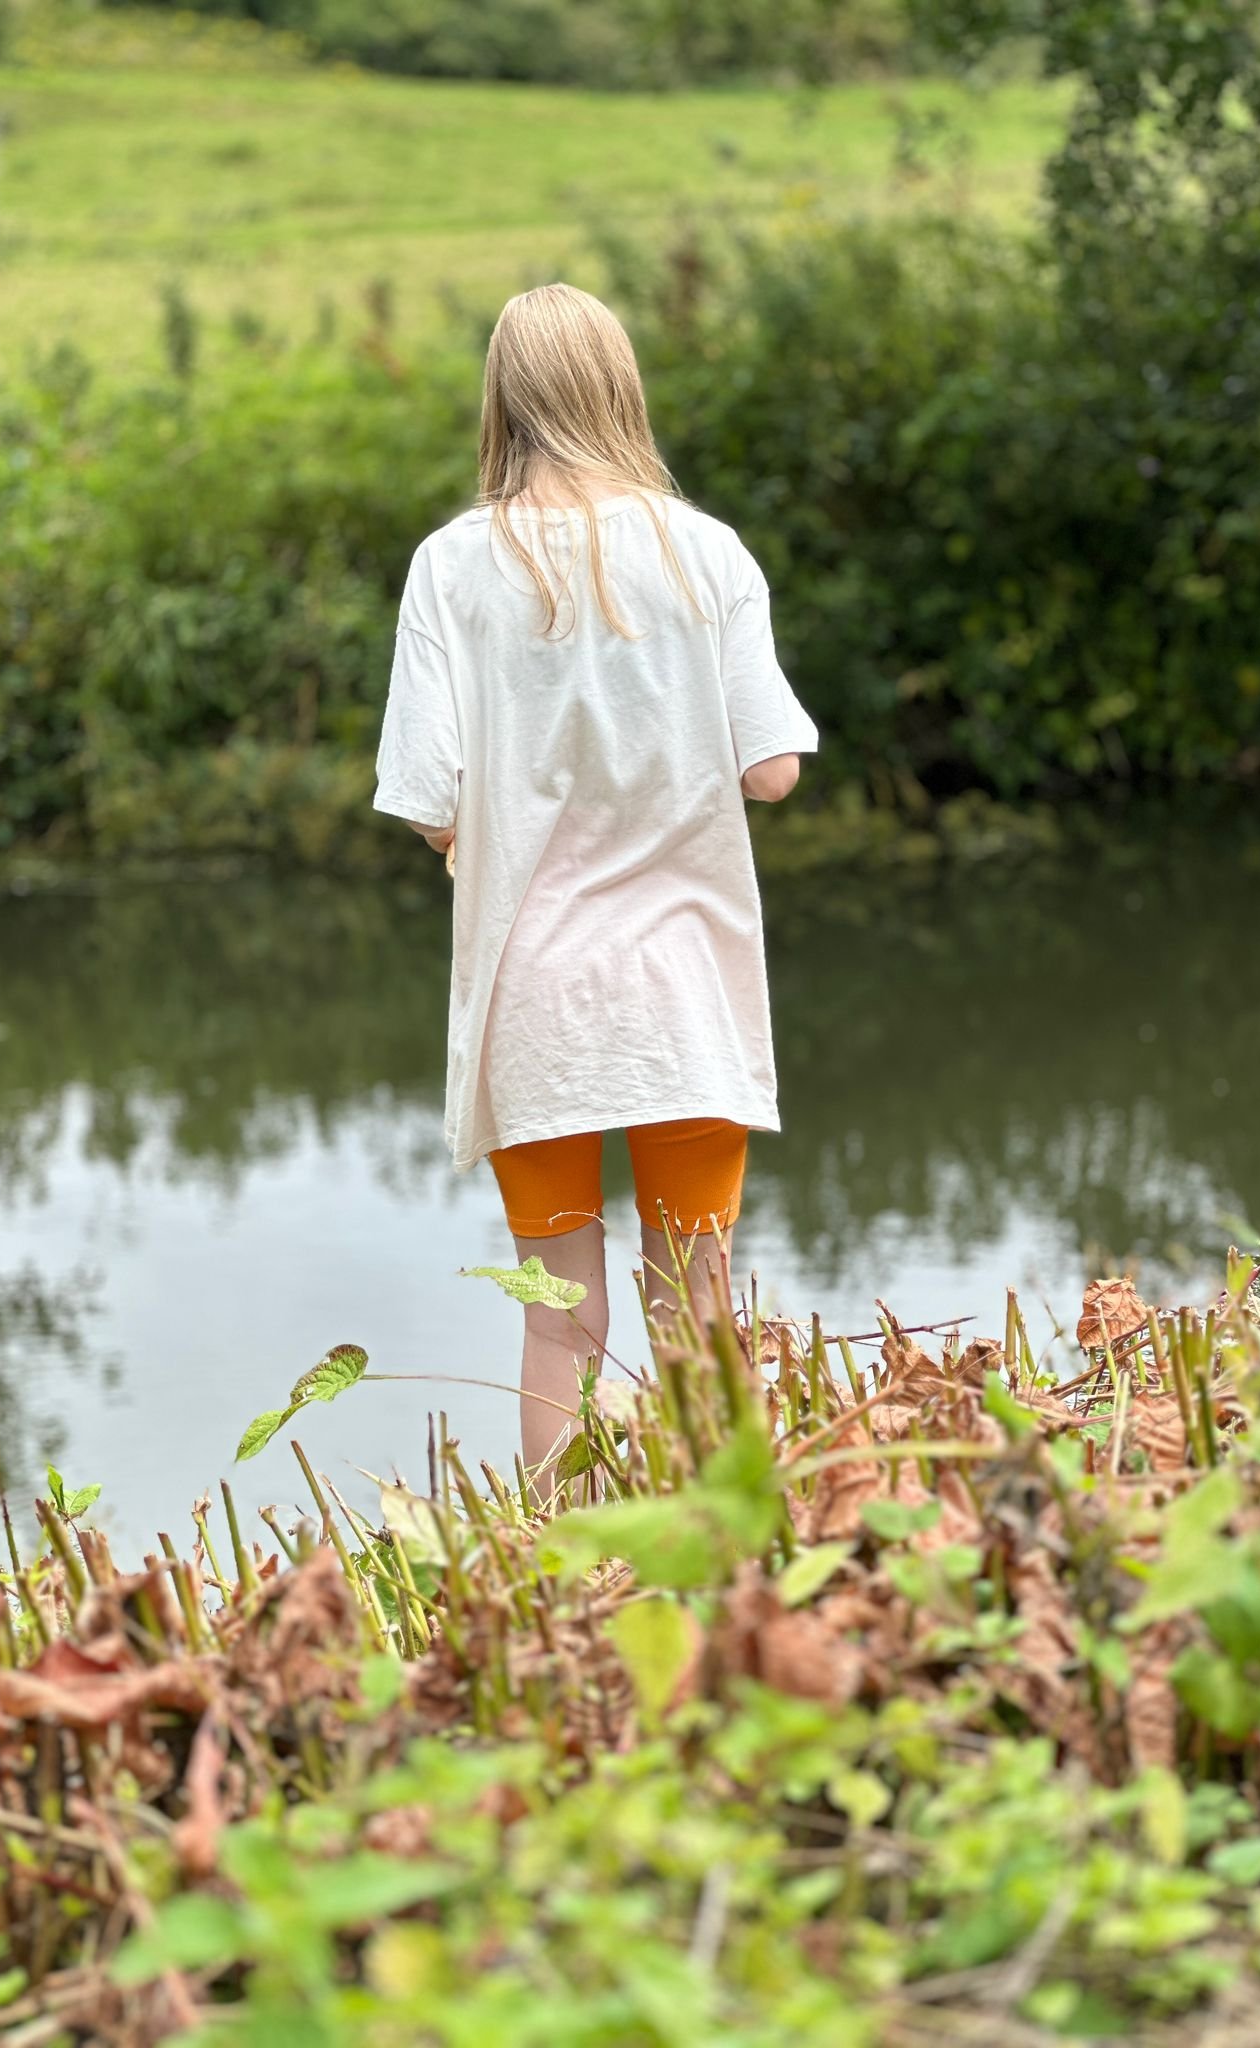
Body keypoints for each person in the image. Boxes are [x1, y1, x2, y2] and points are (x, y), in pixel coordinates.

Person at [373, 281, 817, 1480]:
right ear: (620, 389)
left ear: (502, 401)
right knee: (698, 1313)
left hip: (537, 997)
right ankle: (712, 1539)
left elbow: (427, 801)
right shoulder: (708, 551)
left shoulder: (452, 567)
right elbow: (773, 770)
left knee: (559, 1321)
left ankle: (557, 1570)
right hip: (687, 990)